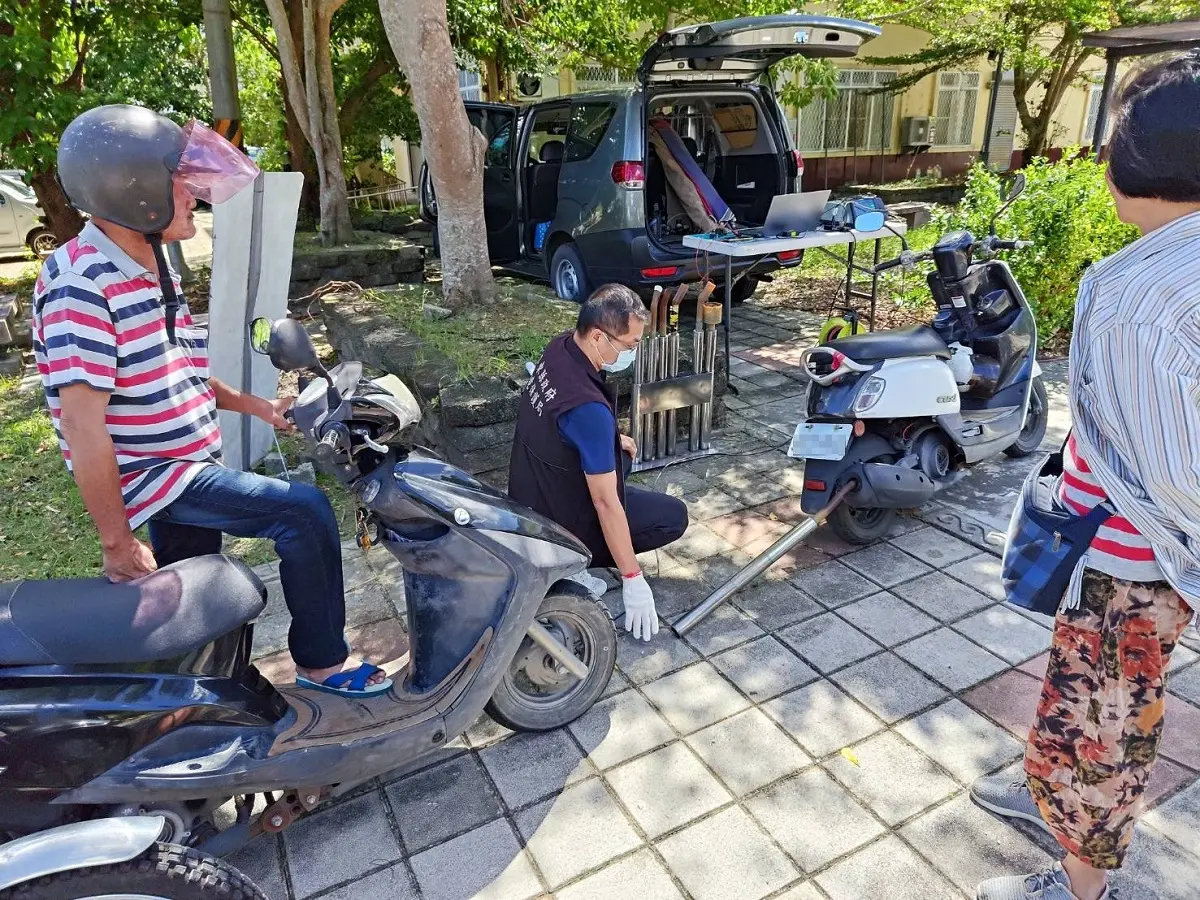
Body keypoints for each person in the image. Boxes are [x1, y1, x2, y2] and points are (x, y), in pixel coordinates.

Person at [33, 104, 389, 697]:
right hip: (156, 473)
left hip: (185, 460)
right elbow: (81, 426)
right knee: (304, 512)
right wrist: (117, 543)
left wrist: (261, 408)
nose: (195, 197)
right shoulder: (82, 286)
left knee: (195, 589)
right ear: (136, 193)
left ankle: (208, 692)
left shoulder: (149, 263)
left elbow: (181, 372)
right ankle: (323, 664)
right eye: (181, 184)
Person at [971, 54, 1200, 900]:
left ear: (1135, 160)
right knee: (1081, 698)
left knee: (1105, 725)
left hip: (1131, 564)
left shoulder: (1139, 299)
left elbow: (1180, 473)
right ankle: (1052, 794)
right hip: (1138, 559)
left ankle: (1077, 884)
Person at [508, 284, 690, 641]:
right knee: (672, 517)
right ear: (597, 337)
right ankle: (570, 564)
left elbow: (559, 420)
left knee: (621, 457)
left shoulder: (561, 348)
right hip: (556, 522)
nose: (632, 352)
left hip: (529, 489)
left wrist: (609, 438)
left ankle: (566, 554)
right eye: (630, 345)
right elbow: (605, 502)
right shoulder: (587, 409)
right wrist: (633, 578)